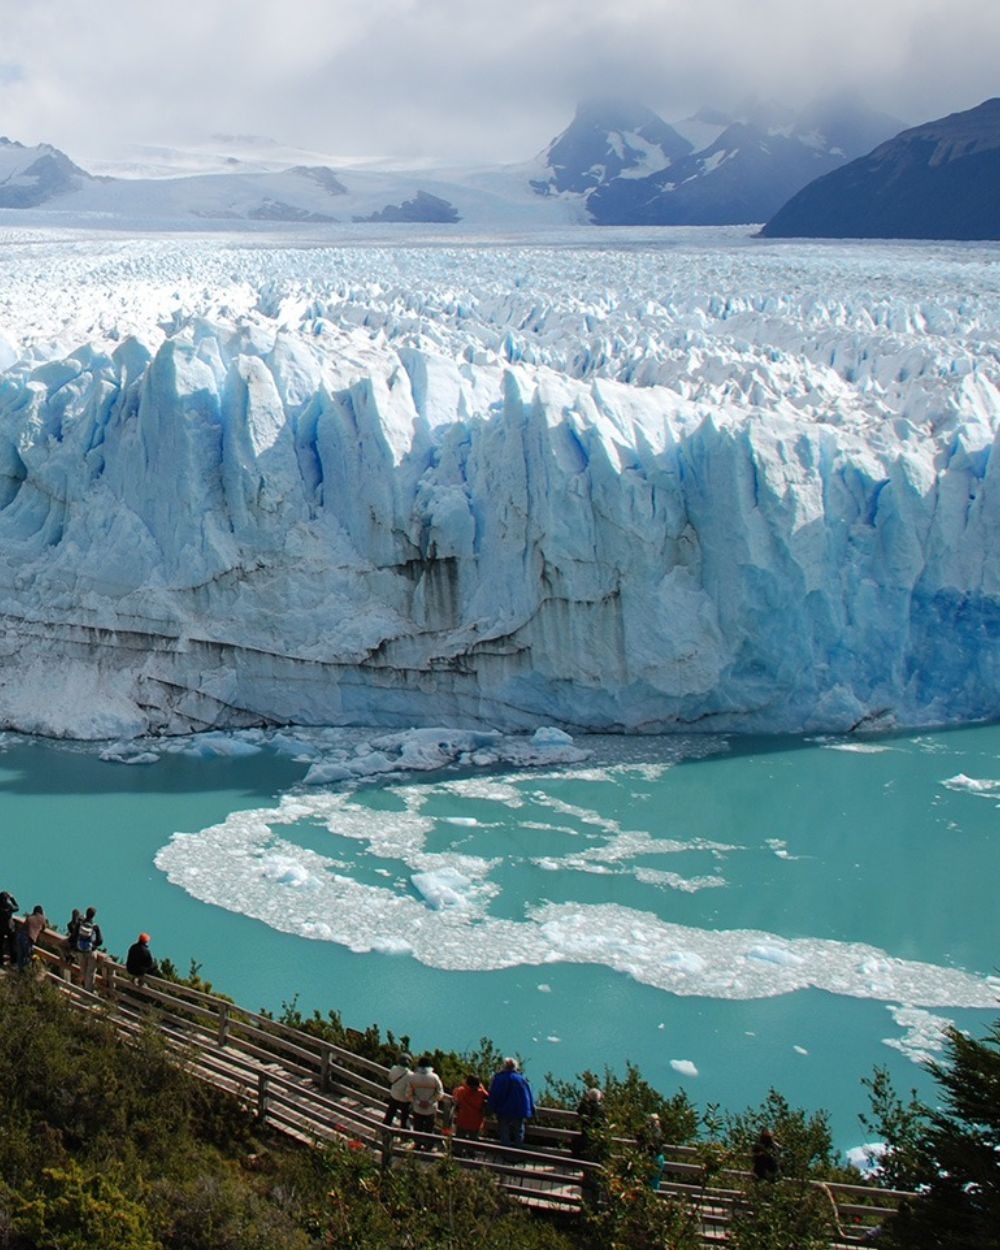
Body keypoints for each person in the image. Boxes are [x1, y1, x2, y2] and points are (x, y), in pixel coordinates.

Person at [487, 1057, 535, 1151]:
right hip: (520, 1110)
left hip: (504, 1109)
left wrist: (490, 1108)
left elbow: (494, 1094)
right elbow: (529, 1095)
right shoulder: (522, 1079)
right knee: (518, 1131)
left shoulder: (499, 1078)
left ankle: (506, 1152)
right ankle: (517, 1152)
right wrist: (531, 1109)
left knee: (504, 1131)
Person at [405, 1055, 444, 1152]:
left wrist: (418, 1102)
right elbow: (440, 1093)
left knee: (418, 1128)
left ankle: (418, 1145)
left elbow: (408, 1093)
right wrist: (430, 1102)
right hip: (431, 1109)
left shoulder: (413, 1077)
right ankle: (428, 1147)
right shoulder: (434, 1077)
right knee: (429, 1129)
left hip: (417, 1108)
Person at [68, 906, 103, 992]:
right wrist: (94, 945)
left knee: (83, 970)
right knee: (90, 973)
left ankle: (80, 988)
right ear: (94, 916)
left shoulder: (79, 924)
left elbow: (73, 937)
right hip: (90, 951)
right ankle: (88, 992)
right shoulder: (95, 926)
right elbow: (100, 941)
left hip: (80, 951)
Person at [452, 1074, 489, 1155]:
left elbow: (456, 1099)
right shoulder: (481, 1093)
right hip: (476, 1120)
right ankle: (471, 1152)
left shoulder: (461, 1091)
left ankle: (458, 1152)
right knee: (473, 1138)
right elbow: (488, 1098)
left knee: (460, 1137)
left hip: (463, 1118)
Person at [571, 1087, 608, 1162]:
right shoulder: (602, 1108)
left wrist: (585, 1100)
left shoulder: (586, 1106)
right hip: (598, 1136)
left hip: (586, 1134)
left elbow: (579, 1111)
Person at [384, 1052, 413, 1132]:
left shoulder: (393, 1068)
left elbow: (390, 1079)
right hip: (404, 1099)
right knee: (404, 1116)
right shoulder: (411, 1074)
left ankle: (385, 1128)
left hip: (394, 1095)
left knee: (390, 1113)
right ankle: (403, 1131)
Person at [16, 905, 48, 971]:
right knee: (27, 956)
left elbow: (24, 925)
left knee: (20, 955)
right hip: (28, 938)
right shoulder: (42, 918)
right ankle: (24, 974)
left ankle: (19, 971)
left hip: (20, 936)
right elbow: (44, 927)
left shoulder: (30, 917)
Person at [0, 889, 19, 966]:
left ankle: (0, 962)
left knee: (0, 945)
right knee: (12, 945)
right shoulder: (8, 905)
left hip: (0, 927)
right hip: (9, 927)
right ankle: (13, 961)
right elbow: (17, 908)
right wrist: (12, 898)